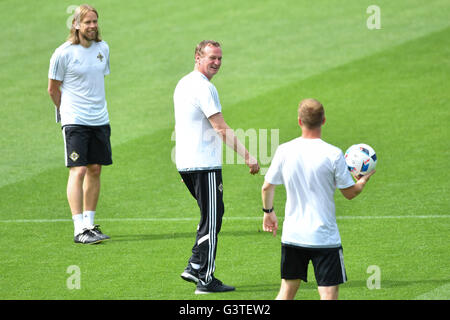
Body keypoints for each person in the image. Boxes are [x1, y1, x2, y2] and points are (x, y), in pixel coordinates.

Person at [261, 98, 375, 300]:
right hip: (324, 237)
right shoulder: (333, 154)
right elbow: (349, 193)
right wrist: (363, 181)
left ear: (299, 121)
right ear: (323, 121)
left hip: (293, 236)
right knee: (329, 295)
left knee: (286, 292)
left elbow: (267, 187)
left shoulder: (285, 150)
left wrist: (268, 213)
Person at [174, 40, 260, 294]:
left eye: (220, 58)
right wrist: (247, 156)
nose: (217, 63)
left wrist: (185, 165)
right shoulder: (204, 88)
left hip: (190, 163)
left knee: (210, 215)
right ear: (198, 57)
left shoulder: (183, 83)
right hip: (203, 165)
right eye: (212, 57)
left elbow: (184, 125)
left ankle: (195, 265)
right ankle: (205, 278)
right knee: (212, 220)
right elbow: (221, 128)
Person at [47, 4, 111, 244]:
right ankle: (78, 228)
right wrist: (66, 112)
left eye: (95, 21)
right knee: (79, 169)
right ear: (76, 25)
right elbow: (53, 89)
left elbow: (96, 80)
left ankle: (90, 224)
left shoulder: (103, 48)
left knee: (95, 169)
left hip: (100, 119)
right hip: (75, 120)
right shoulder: (63, 53)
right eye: (87, 22)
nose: (92, 26)